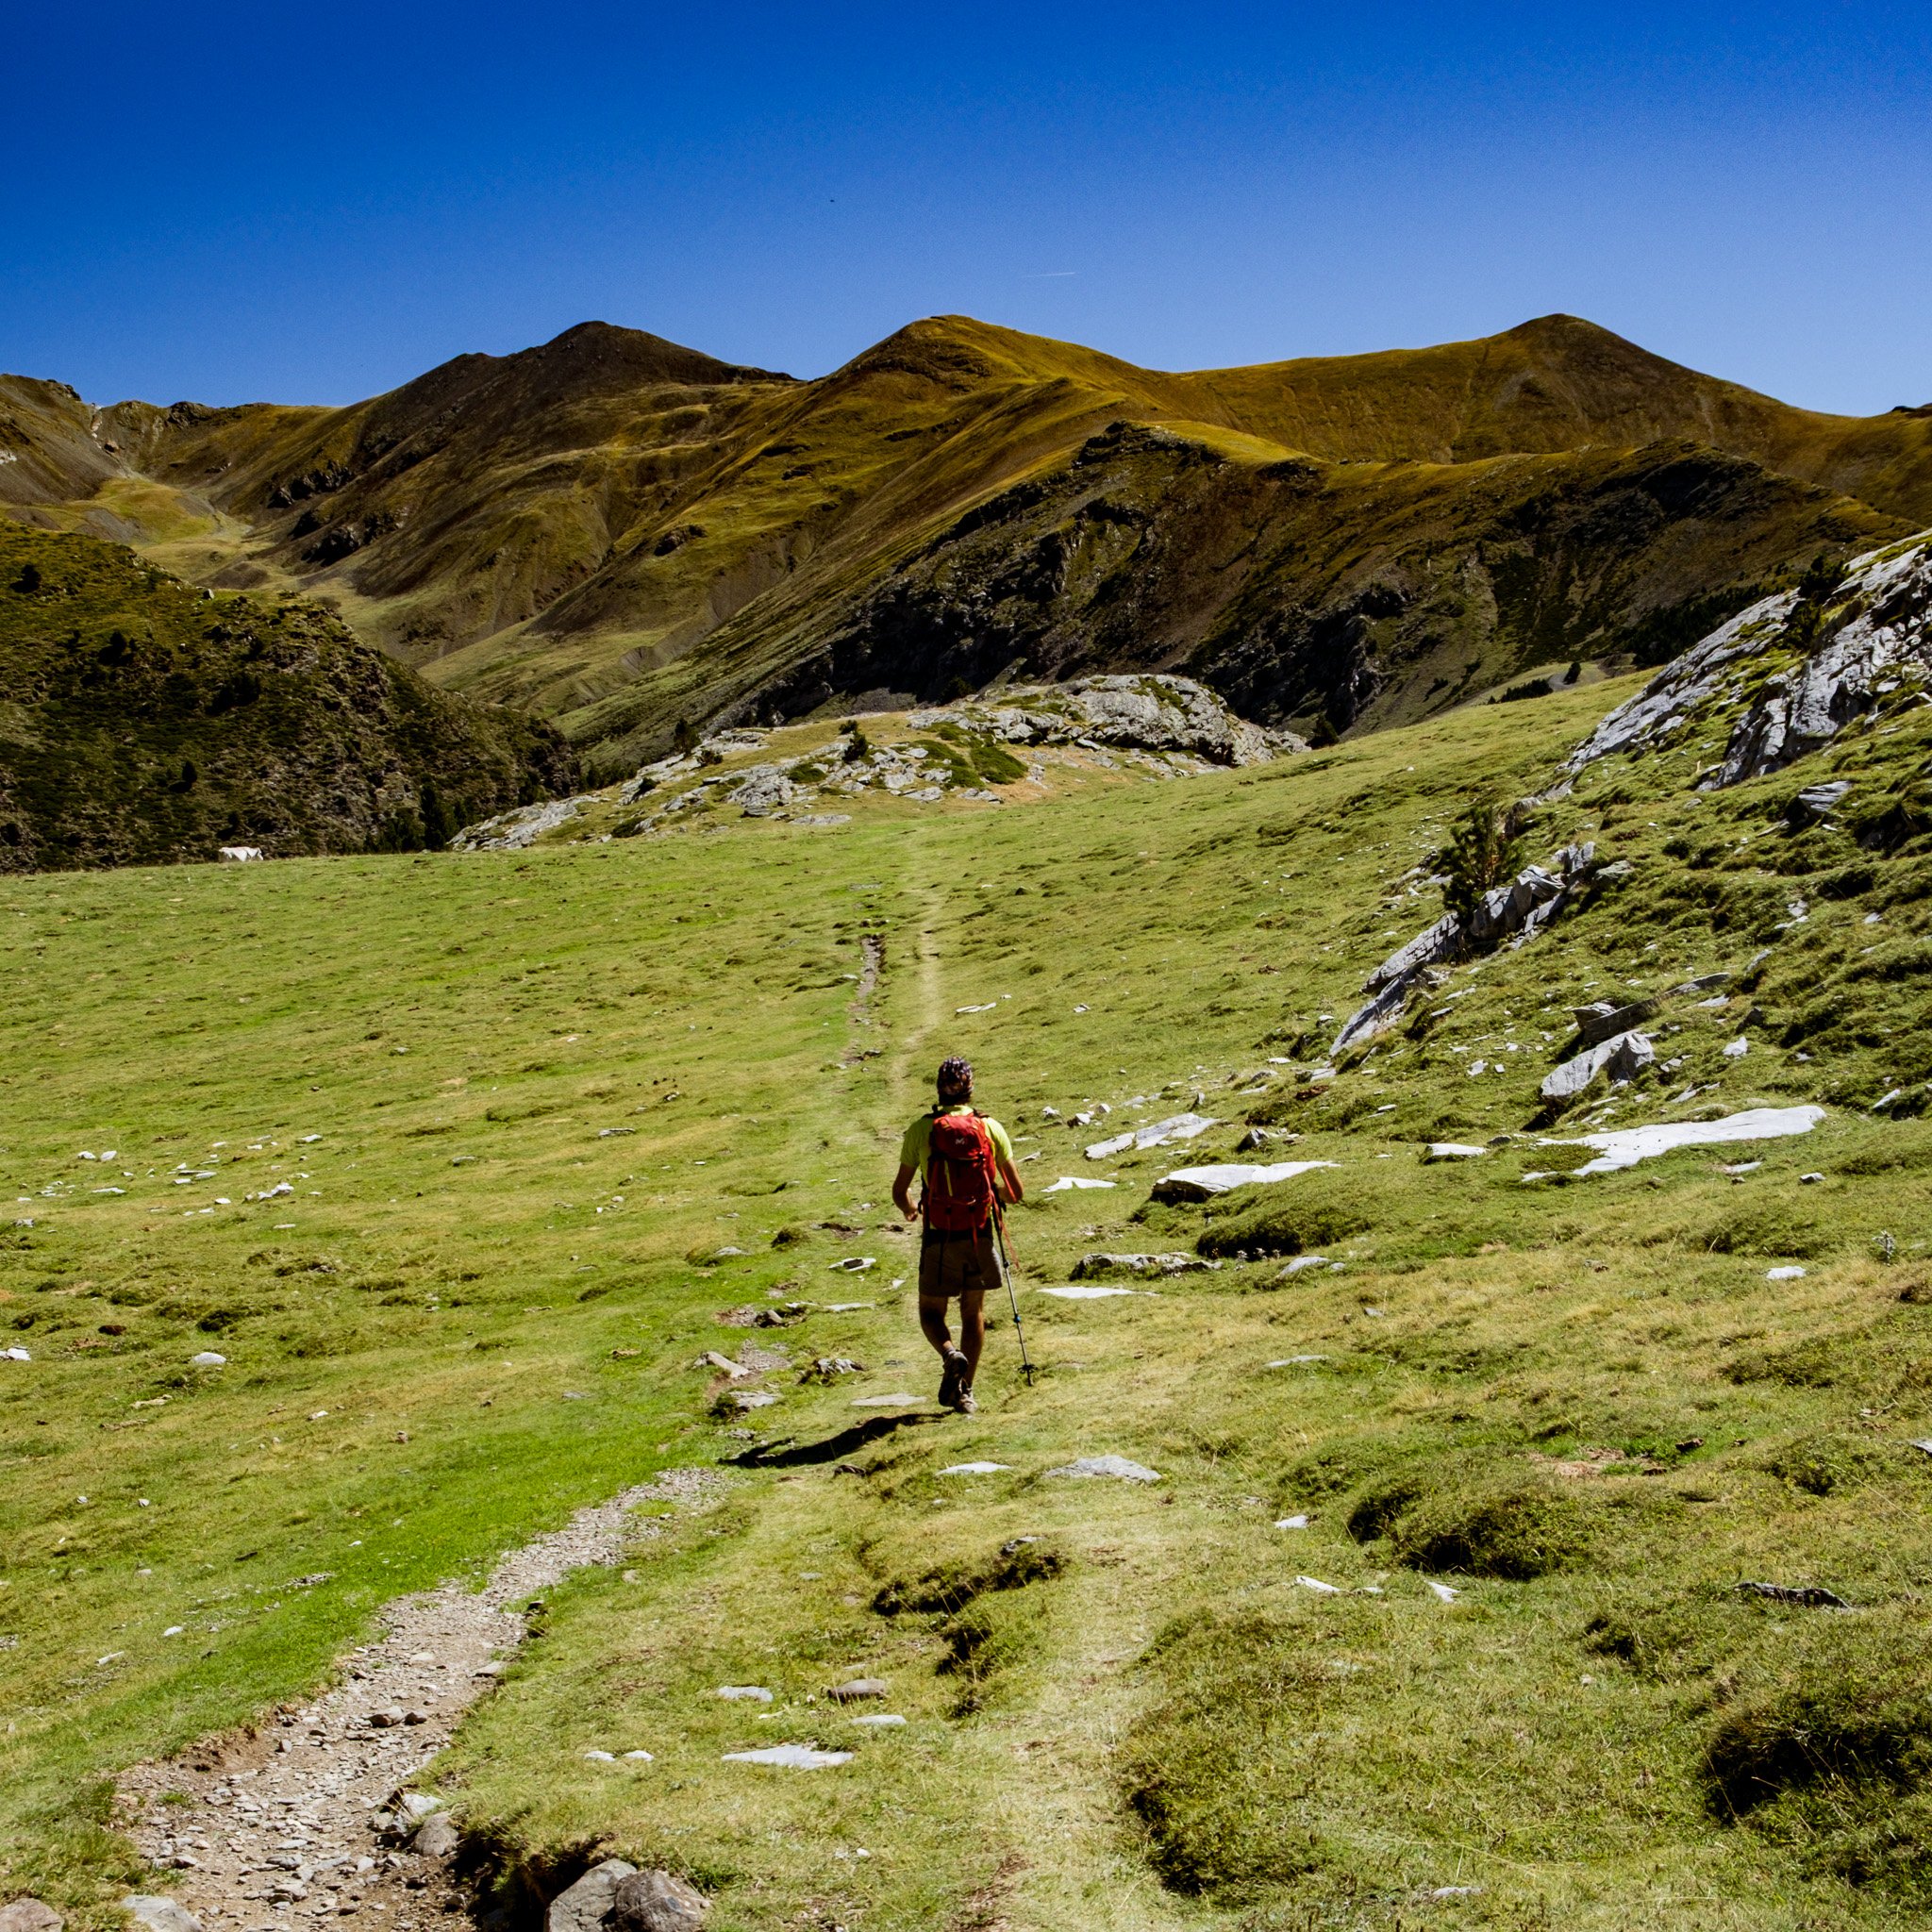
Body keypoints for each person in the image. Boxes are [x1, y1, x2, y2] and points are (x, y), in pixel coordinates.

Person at [892, 1056, 1023, 1415]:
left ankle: (950, 1354)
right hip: (979, 1232)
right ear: (971, 1089)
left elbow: (899, 1190)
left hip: (938, 1234)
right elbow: (1016, 1192)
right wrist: (992, 1193)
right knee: (973, 1311)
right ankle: (965, 1394)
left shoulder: (922, 1129)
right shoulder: (990, 1127)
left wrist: (910, 1209)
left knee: (930, 1311)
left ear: (938, 1089)